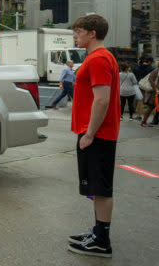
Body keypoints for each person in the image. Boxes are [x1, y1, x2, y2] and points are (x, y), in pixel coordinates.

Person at [66, 14, 120, 258]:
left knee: (102, 188)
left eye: (78, 31)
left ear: (92, 33)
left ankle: (102, 241)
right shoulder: (100, 57)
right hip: (96, 133)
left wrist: (89, 134)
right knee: (97, 188)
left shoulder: (98, 59)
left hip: (97, 134)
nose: (75, 36)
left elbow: (102, 99)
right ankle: (98, 233)